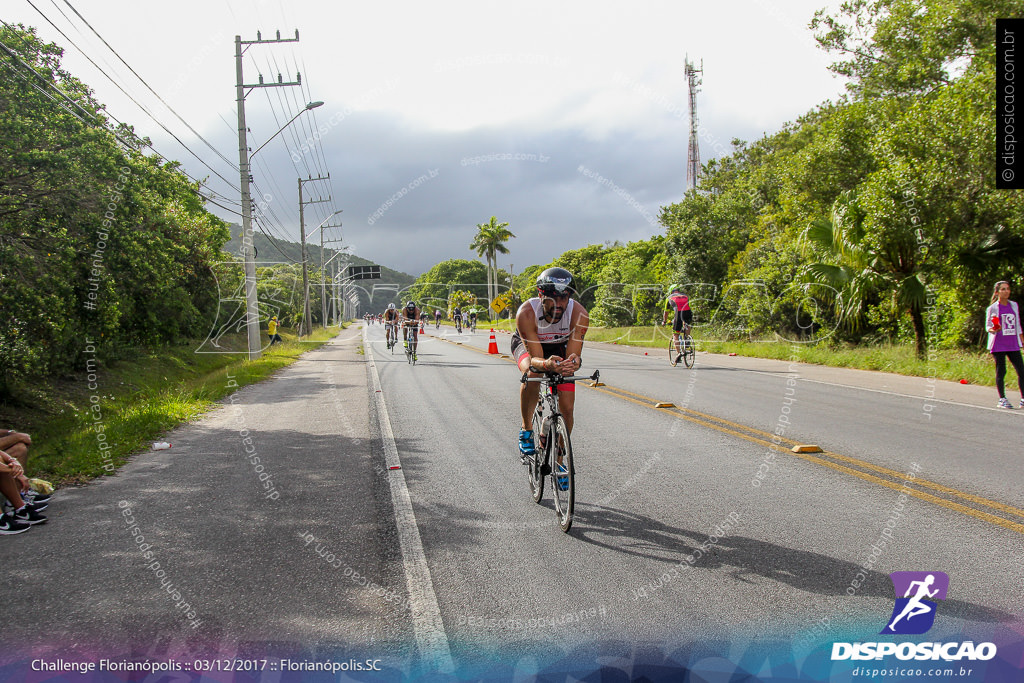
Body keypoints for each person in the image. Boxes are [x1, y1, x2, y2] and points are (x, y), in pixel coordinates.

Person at [512, 268, 589, 488]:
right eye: (553, 298)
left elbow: (575, 354)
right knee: (533, 373)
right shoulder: (526, 313)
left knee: (567, 407)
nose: (559, 304)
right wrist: (546, 364)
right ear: (540, 295)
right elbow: (537, 359)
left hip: (559, 346)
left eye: (564, 298)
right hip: (530, 347)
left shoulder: (580, 314)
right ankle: (527, 430)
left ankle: (559, 461)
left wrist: (573, 362)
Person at [986, 280, 1024, 409]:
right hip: (999, 344)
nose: (1006, 291)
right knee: (1001, 371)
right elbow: (988, 327)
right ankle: (1002, 398)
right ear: (997, 292)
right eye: (1003, 289)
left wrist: (1022, 340)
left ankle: (1023, 398)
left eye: (1007, 289)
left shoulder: (1014, 305)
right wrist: (994, 329)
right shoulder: (992, 308)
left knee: (1022, 371)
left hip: (1012, 343)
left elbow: (1017, 324)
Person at [663, 285, 693, 365]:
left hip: (678, 314)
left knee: (675, 334)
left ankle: (679, 352)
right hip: (688, 312)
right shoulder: (685, 296)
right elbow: (686, 306)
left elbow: (666, 312)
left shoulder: (669, 298)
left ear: (671, 291)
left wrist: (664, 321)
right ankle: (687, 340)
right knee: (687, 324)